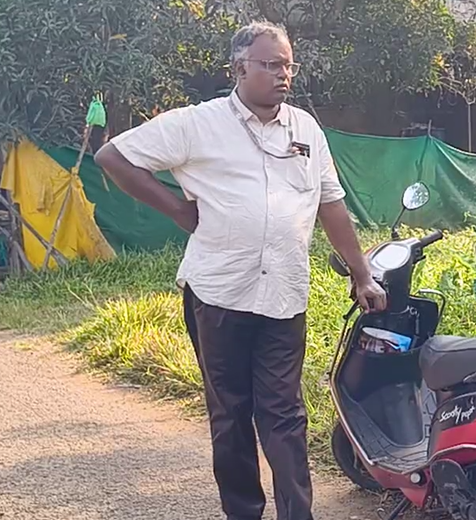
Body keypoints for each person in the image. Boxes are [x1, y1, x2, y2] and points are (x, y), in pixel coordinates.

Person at [93, 21, 386, 520]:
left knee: (285, 415)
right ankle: (243, 512)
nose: (283, 74)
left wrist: (362, 274)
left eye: (288, 65)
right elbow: (113, 156)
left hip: (284, 297)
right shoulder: (197, 124)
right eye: (270, 64)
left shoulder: (305, 130)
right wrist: (177, 210)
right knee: (230, 415)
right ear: (239, 68)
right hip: (219, 295)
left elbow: (331, 204)